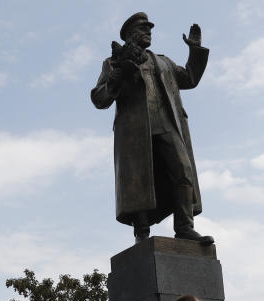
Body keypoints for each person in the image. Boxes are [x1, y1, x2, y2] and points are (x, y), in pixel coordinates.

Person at [91, 13, 213, 245]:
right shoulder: (113, 62)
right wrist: (117, 76)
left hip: (167, 124)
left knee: (183, 171)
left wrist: (195, 51)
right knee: (139, 179)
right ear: (129, 35)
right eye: (143, 29)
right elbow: (99, 98)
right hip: (136, 130)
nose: (149, 33)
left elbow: (189, 78)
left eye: (150, 29)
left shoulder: (163, 61)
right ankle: (142, 231)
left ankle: (185, 227)